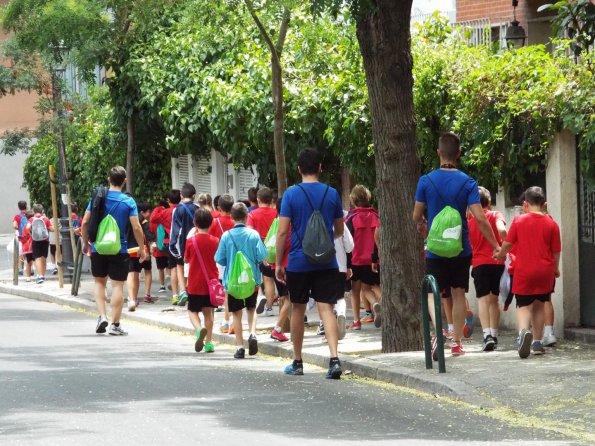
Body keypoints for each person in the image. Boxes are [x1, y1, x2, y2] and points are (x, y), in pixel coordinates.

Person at [412, 132, 500, 357]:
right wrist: (495, 245)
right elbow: (479, 218)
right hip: (460, 247)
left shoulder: (426, 181)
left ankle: (439, 329)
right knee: (459, 292)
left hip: (435, 247)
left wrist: (423, 224)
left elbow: (416, 215)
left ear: (438, 152)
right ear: (459, 153)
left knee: (432, 292)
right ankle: (456, 343)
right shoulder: (468, 182)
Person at [275, 148, 345, 379]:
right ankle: (334, 359)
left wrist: (278, 263)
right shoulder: (332, 193)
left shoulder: (291, 195)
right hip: (327, 261)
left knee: (298, 308)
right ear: (320, 168)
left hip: (298, 261)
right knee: (327, 308)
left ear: (299, 169)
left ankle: (298, 361)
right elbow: (339, 229)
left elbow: (283, 232)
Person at [495, 186, 561, 358]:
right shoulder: (552, 223)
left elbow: (508, 244)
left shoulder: (518, 221)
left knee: (524, 306)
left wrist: (501, 255)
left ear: (526, 203)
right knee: (540, 305)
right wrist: (555, 268)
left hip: (524, 270)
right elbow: (556, 251)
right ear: (544, 204)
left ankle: (524, 333)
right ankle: (537, 342)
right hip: (545, 271)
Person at [81, 166, 146, 336]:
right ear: (124, 181)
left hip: (98, 248)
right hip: (120, 248)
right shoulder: (128, 202)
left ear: (109, 179)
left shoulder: (98, 198)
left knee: (99, 282)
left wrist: (85, 242)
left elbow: (85, 222)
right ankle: (115, 325)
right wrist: (141, 247)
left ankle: (102, 316)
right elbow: (137, 227)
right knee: (117, 285)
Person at [215, 202, 267, 359]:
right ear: (246, 216)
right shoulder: (254, 235)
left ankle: (239, 347)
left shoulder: (226, 236)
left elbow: (220, 259)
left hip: (233, 282)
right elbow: (262, 256)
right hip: (252, 280)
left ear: (231, 217)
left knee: (236, 313)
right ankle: (252, 333)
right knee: (251, 308)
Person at [468, 186, 507, 351]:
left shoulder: (470, 221)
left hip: (479, 264)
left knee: (483, 299)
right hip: (497, 263)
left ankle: (486, 335)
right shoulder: (495, 214)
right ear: (489, 201)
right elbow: (502, 230)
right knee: (494, 300)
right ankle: (495, 334)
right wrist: (504, 248)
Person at [346, 185, 382, 329]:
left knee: (356, 290)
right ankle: (380, 305)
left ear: (354, 200)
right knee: (374, 286)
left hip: (356, 260)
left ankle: (356, 321)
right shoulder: (376, 215)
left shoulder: (351, 218)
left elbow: (347, 241)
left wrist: (347, 263)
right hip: (374, 259)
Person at [184, 208, 219, 353]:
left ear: (195, 223)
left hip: (195, 282)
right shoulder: (216, 241)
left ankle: (199, 330)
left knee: (192, 311)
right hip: (211, 282)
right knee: (208, 313)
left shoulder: (191, 241)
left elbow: (186, 258)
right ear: (211, 223)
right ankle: (209, 343)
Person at [318, 216, 353, 341]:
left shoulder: (317, 221)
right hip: (340, 266)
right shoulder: (340, 223)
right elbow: (349, 246)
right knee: (340, 296)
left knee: (326, 302)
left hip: (322, 266)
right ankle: (342, 314)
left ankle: (330, 333)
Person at [247, 186, 278, 317]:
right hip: (276, 248)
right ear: (271, 200)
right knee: (276, 279)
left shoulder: (252, 214)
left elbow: (249, 232)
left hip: (260, 250)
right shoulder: (276, 213)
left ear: (258, 201)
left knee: (267, 279)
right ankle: (273, 306)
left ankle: (265, 302)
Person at [208, 194, 236, 333]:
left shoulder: (214, 222)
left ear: (219, 208)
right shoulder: (235, 222)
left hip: (220, 260)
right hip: (235, 259)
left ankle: (227, 321)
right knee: (233, 290)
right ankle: (232, 320)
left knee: (225, 290)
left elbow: (210, 239)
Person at [169, 183, 199, 306]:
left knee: (180, 266)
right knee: (194, 267)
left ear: (181, 196)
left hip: (182, 243)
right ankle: (192, 290)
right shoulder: (198, 208)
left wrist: (172, 246)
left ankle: (183, 291)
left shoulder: (177, 209)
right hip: (197, 242)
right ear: (194, 196)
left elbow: (174, 229)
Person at [151, 190, 181, 301]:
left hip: (171, 243)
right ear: (180, 198)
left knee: (173, 268)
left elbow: (153, 218)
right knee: (184, 268)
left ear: (168, 200)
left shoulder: (165, 212)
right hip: (185, 242)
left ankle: (175, 295)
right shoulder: (185, 210)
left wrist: (159, 207)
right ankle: (185, 292)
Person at [26, 204, 53, 284]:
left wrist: (31, 234)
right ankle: (43, 275)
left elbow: (27, 227)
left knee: (37, 257)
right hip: (45, 240)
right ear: (42, 211)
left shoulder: (31, 219)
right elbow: (51, 228)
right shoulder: (45, 219)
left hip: (35, 240)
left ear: (33, 211)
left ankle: (40, 275)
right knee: (44, 257)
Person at [150, 200, 169, 294]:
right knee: (170, 265)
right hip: (169, 245)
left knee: (160, 267)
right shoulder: (167, 215)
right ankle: (170, 279)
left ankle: (162, 285)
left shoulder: (154, 219)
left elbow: (151, 231)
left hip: (158, 246)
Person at [13, 200, 28, 273]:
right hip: (29, 236)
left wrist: (17, 229)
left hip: (21, 237)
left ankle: (21, 269)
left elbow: (15, 226)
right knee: (29, 252)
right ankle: (30, 269)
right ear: (26, 206)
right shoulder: (29, 214)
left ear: (19, 207)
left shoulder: (17, 216)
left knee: (21, 253)